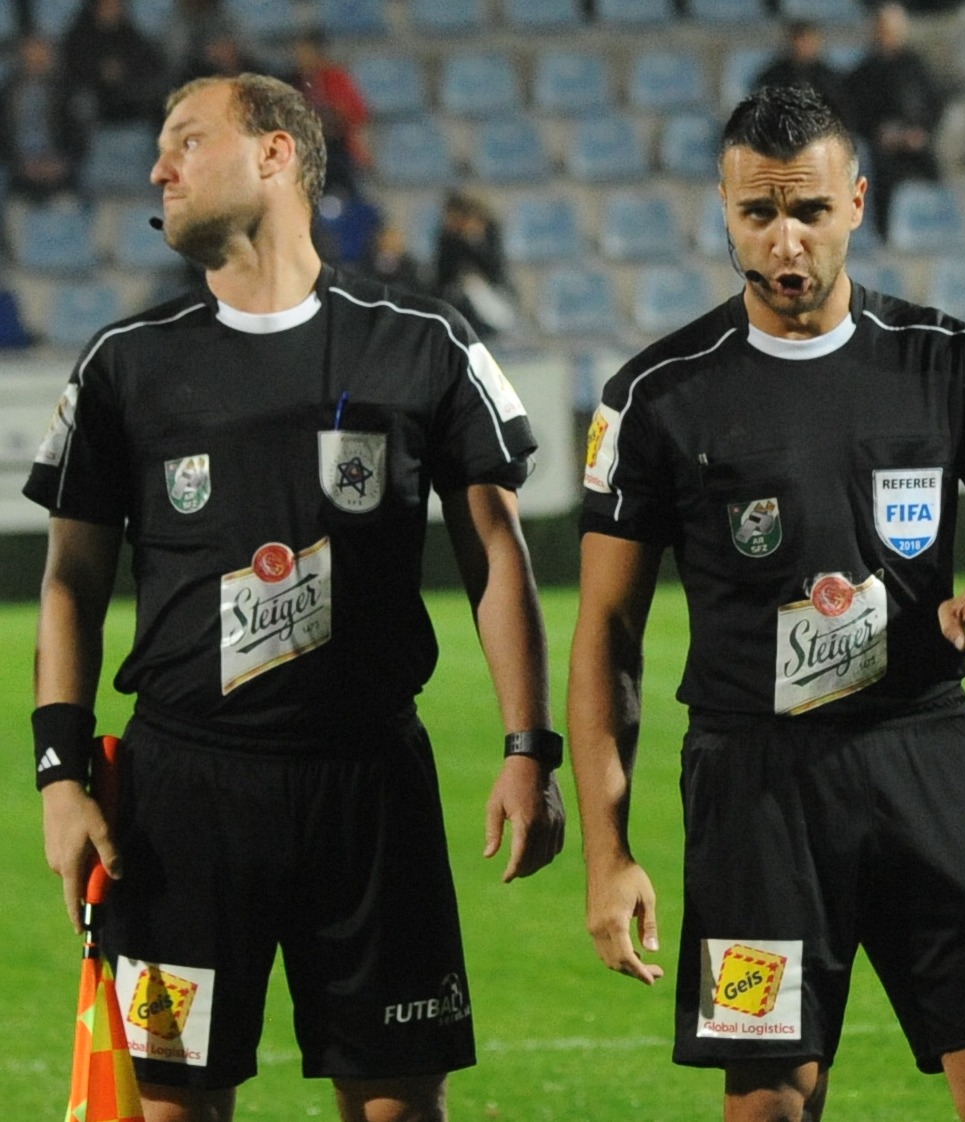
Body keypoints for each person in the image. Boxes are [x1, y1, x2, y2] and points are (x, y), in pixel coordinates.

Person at [27, 73, 565, 1122]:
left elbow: (496, 552)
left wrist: (527, 749)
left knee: (398, 1105)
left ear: (276, 153)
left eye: (187, 140)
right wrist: (59, 774)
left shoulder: (420, 338)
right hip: (182, 799)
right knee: (172, 1107)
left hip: (370, 786)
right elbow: (70, 580)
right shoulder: (126, 362)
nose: (157, 168)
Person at [570, 85, 965, 1122]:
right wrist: (608, 853)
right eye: (757, 213)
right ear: (724, 214)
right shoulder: (655, 396)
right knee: (770, 1105)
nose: (785, 239)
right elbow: (606, 633)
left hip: (922, 754)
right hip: (753, 782)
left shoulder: (948, 361)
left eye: (808, 209)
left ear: (855, 201)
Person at [844, 2, 947, 238]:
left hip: (914, 140)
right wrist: (879, 133)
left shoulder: (916, 66)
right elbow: (855, 112)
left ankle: (937, 231)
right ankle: (884, 235)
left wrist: (920, 131)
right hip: (880, 145)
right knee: (881, 175)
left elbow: (934, 105)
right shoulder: (862, 72)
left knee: (934, 172)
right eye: (882, 29)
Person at [0, 33, 88, 203]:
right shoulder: (6, 93)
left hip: (58, 165)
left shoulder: (68, 92)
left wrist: (61, 163)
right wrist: (19, 163)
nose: (37, 62)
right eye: (31, 56)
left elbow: (79, 136)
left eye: (42, 56)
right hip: (16, 166)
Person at [60, 0, 169, 127]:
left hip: (128, 105)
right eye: (107, 4)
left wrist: (123, 71)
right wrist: (99, 71)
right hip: (93, 103)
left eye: (116, 4)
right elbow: (73, 68)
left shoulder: (130, 35)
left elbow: (150, 65)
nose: (112, 8)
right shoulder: (79, 36)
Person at [290, 30, 372, 198]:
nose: (302, 59)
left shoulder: (336, 78)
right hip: (309, 150)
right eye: (299, 54)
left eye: (306, 53)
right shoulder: (294, 81)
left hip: (338, 149)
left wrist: (333, 112)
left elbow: (358, 113)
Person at [434, 190, 518, 339]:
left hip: (492, 294)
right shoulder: (447, 239)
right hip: (457, 298)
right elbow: (443, 275)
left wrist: (473, 241)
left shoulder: (490, 234)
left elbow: (495, 270)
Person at [754, 20, 852, 128]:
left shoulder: (831, 78)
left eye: (808, 41)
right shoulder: (771, 77)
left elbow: (842, 113)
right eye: (799, 41)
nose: (803, 46)